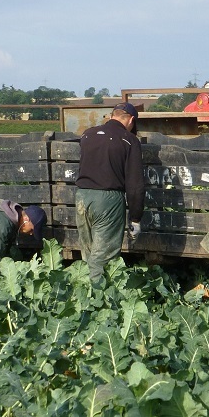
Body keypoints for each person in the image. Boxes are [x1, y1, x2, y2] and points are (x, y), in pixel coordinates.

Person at [75, 102, 146, 284]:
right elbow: (135, 184)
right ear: (131, 119)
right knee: (103, 258)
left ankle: (82, 293)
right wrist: (136, 218)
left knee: (89, 253)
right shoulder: (129, 140)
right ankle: (98, 302)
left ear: (112, 115)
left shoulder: (88, 134)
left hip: (82, 197)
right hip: (107, 201)